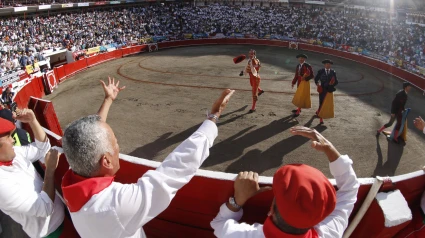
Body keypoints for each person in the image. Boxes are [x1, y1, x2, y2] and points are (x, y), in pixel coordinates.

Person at [61, 77, 235, 238]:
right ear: (106, 161)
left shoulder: (76, 173)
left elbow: (90, 140)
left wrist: (107, 100)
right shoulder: (116, 207)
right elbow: (175, 169)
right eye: (116, 144)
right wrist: (213, 117)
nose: (118, 147)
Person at [211, 126, 359, 238]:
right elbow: (350, 189)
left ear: (271, 210)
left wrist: (238, 201)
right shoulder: (330, 232)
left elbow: (218, 224)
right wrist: (331, 150)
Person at [0, 108, 65, 238]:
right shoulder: (2, 185)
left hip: (59, 219)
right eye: (7, 137)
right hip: (51, 232)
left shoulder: (14, 154)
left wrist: (33, 121)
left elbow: (42, 150)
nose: (13, 140)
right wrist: (50, 171)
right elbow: (44, 208)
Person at [314, 59, 338, 125]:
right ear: (324, 65)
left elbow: (336, 81)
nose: (328, 65)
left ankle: (319, 111)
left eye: (329, 64)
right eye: (327, 64)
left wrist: (332, 84)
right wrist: (318, 84)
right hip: (322, 89)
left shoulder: (333, 72)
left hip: (329, 90)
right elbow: (316, 79)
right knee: (321, 102)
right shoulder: (321, 71)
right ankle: (321, 118)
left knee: (326, 103)